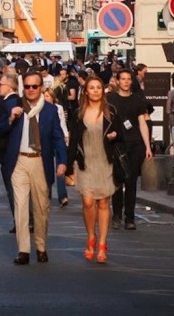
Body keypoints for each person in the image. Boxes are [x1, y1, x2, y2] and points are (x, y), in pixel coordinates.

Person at [0, 71, 68, 265]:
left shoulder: (50, 111)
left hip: (40, 161)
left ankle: (40, 246)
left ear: (41, 88)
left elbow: (57, 138)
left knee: (41, 208)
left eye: (34, 87)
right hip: (19, 162)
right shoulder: (13, 106)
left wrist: (62, 161)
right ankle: (23, 250)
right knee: (20, 207)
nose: (30, 90)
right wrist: (11, 119)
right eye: (27, 86)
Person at [67, 76, 122, 264]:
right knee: (88, 202)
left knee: (104, 203)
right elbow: (73, 140)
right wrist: (68, 167)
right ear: (86, 91)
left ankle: (102, 244)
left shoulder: (111, 112)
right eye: (92, 87)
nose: (96, 90)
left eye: (99, 87)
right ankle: (91, 236)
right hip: (86, 161)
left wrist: (115, 135)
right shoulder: (78, 114)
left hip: (105, 161)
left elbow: (122, 133)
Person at [106, 68, 152, 230]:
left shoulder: (138, 100)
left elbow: (142, 123)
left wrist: (147, 146)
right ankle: (117, 214)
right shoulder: (110, 99)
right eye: (123, 79)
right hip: (117, 144)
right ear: (117, 81)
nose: (126, 82)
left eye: (128, 79)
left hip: (135, 144)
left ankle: (129, 218)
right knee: (118, 180)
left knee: (131, 180)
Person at [0, 72, 22, 231]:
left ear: (10, 86)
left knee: (12, 187)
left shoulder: (6, 104)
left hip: (7, 149)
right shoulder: (19, 101)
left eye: (1, 85)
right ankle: (27, 218)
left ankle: (19, 220)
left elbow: (1, 128)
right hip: (16, 148)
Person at [45, 87, 70, 208]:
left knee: (60, 169)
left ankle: (62, 196)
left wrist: (66, 135)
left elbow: (62, 123)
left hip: (59, 138)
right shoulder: (41, 108)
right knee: (47, 167)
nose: (46, 98)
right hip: (47, 141)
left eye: (48, 96)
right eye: (44, 96)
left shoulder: (58, 108)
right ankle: (47, 194)